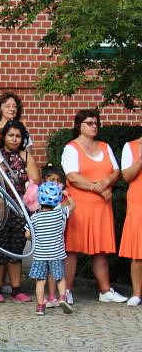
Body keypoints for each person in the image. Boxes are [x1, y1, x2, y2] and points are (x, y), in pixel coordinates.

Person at [62, 109, 127, 304]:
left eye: (96, 123)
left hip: (101, 208)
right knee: (72, 249)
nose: (94, 126)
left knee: (101, 249)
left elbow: (117, 172)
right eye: (89, 123)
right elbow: (72, 176)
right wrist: (98, 189)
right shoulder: (71, 148)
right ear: (78, 126)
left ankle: (105, 290)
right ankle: (65, 291)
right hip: (79, 207)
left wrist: (106, 180)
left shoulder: (105, 147)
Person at [0, 120, 40, 303]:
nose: (15, 139)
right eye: (11, 135)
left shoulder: (26, 156)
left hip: (19, 208)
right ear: (3, 136)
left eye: (18, 136)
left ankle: (16, 289)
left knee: (16, 247)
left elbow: (35, 181)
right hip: (0, 206)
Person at [26, 182, 75, 316]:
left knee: (40, 281)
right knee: (59, 277)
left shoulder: (34, 217)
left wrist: (37, 237)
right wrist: (67, 195)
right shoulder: (60, 214)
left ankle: (41, 307)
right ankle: (62, 298)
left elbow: (27, 234)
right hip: (56, 254)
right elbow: (73, 206)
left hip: (40, 255)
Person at [120, 134, 142, 306]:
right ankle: (136, 293)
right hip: (138, 202)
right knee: (138, 251)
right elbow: (127, 176)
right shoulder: (131, 146)